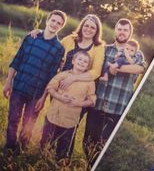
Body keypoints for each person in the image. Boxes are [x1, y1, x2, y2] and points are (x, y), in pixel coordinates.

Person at [83, 18, 146, 165]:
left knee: (103, 147)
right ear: (115, 30)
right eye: (119, 29)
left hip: (117, 108)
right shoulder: (105, 49)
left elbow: (140, 68)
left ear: (130, 33)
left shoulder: (136, 54)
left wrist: (116, 67)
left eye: (125, 30)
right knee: (88, 143)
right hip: (97, 105)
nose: (122, 32)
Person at [3, 10, 66, 152]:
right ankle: (10, 147)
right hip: (18, 86)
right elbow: (17, 60)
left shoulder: (58, 49)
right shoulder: (31, 37)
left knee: (28, 123)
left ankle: (22, 149)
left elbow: (51, 76)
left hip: (36, 93)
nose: (55, 24)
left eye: (59, 23)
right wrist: (8, 82)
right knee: (13, 119)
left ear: (61, 27)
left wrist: (43, 98)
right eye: (53, 20)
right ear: (47, 20)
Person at [40, 51, 96, 162]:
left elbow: (92, 100)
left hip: (70, 120)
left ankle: (58, 163)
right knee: (45, 142)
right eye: (79, 59)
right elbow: (50, 88)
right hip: (53, 116)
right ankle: (43, 161)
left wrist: (78, 103)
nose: (82, 62)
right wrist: (59, 97)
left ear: (87, 66)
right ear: (73, 61)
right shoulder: (62, 75)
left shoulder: (90, 82)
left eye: (85, 61)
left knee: (63, 147)